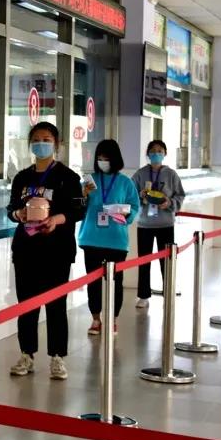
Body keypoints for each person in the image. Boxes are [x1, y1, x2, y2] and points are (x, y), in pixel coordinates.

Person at [7, 122, 85, 381]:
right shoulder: (22, 178)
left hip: (56, 251)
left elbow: (78, 210)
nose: (41, 143)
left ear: (57, 144)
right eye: (37, 139)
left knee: (56, 304)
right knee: (26, 304)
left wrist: (56, 220)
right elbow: (10, 209)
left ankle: (57, 357)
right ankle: (26, 354)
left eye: (47, 139)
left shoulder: (68, 177)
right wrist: (18, 214)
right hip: (26, 249)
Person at [79, 139, 141, 334]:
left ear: (115, 159)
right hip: (91, 238)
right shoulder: (89, 180)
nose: (102, 161)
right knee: (93, 282)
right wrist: (83, 195)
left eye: (106, 158)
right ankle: (96, 319)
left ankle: (113, 318)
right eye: (99, 158)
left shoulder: (125, 182)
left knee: (116, 282)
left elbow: (135, 206)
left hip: (116, 240)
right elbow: (78, 207)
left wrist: (124, 213)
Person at [132, 140, 186, 306]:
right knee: (144, 260)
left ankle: (168, 291)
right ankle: (143, 295)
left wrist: (170, 203)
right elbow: (130, 195)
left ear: (165, 154)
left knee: (167, 260)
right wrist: (140, 195)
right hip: (145, 224)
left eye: (160, 151)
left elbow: (180, 195)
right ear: (148, 154)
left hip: (165, 224)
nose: (156, 153)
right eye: (153, 151)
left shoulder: (171, 174)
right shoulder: (140, 174)